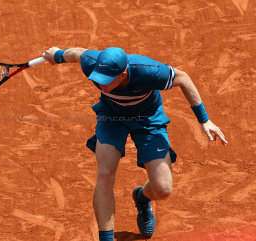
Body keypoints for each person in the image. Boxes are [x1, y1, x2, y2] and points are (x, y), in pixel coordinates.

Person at [42, 47, 228, 240]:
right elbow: (78, 53)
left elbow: (183, 78)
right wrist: (57, 55)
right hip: (112, 117)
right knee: (105, 174)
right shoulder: (92, 63)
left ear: (123, 75)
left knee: (163, 189)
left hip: (148, 119)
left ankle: (141, 198)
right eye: (98, 77)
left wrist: (204, 119)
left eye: (105, 80)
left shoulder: (149, 71)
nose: (99, 82)